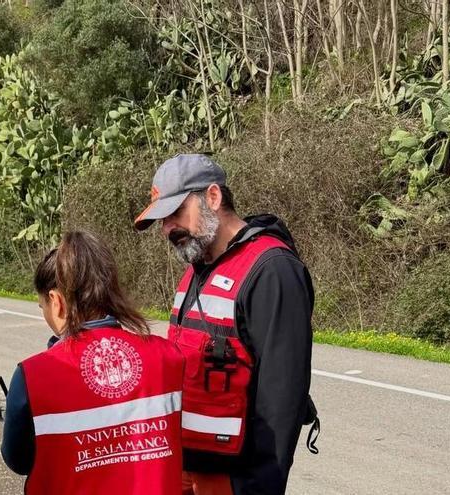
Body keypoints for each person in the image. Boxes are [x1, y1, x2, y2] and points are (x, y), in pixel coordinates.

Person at [133, 154, 316, 495]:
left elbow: (281, 404)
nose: (167, 229)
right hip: (188, 470)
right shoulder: (197, 269)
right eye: (162, 220)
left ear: (213, 198)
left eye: (175, 213)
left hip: (235, 480)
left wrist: (255, 488)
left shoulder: (272, 271)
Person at [1, 230, 185, 495]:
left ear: (56, 302)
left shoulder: (32, 376)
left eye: (43, 307)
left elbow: (17, 459)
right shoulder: (168, 357)